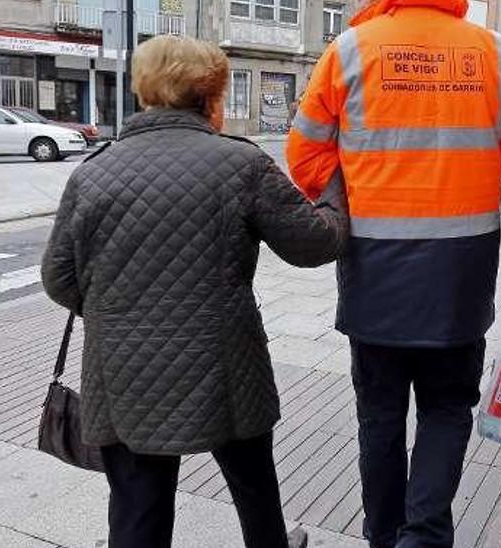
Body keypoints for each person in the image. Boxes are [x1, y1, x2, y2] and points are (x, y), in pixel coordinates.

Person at [41, 36, 348, 548]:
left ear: (145, 91)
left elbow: (58, 279)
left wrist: (117, 310)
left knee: (138, 503)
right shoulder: (240, 164)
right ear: (210, 95)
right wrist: (337, 194)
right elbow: (312, 246)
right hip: (223, 364)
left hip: (122, 369)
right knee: (252, 482)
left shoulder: (92, 173)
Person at [286, 0, 501, 546]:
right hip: (461, 275)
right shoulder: (495, 54)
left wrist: (353, 203)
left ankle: (384, 534)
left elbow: (304, 155)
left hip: (375, 273)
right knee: (446, 408)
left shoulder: (349, 51)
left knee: (380, 415)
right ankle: (426, 534)